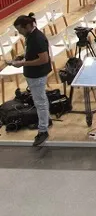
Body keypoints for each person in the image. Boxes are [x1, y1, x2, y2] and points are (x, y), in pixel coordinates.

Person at [7, 14, 52, 146]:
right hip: (33, 74)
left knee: (40, 103)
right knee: (41, 101)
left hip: (37, 75)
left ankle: (43, 130)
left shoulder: (37, 38)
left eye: (20, 29)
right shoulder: (31, 36)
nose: (19, 32)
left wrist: (22, 63)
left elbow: (44, 59)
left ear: (27, 26)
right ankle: (46, 121)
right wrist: (23, 56)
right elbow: (33, 53)